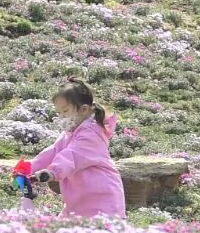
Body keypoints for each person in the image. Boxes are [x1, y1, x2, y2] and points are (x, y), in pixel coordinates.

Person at [24, 80, 125, 217]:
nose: (61, 116)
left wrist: (52, 172)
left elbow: (72, 155)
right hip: (79, 203)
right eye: (59, 112)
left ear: (84, 110)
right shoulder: (70, 133)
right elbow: (53, 151)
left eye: (65, 111)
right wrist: (27, 168)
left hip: (102, 201)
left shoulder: (91, 134)